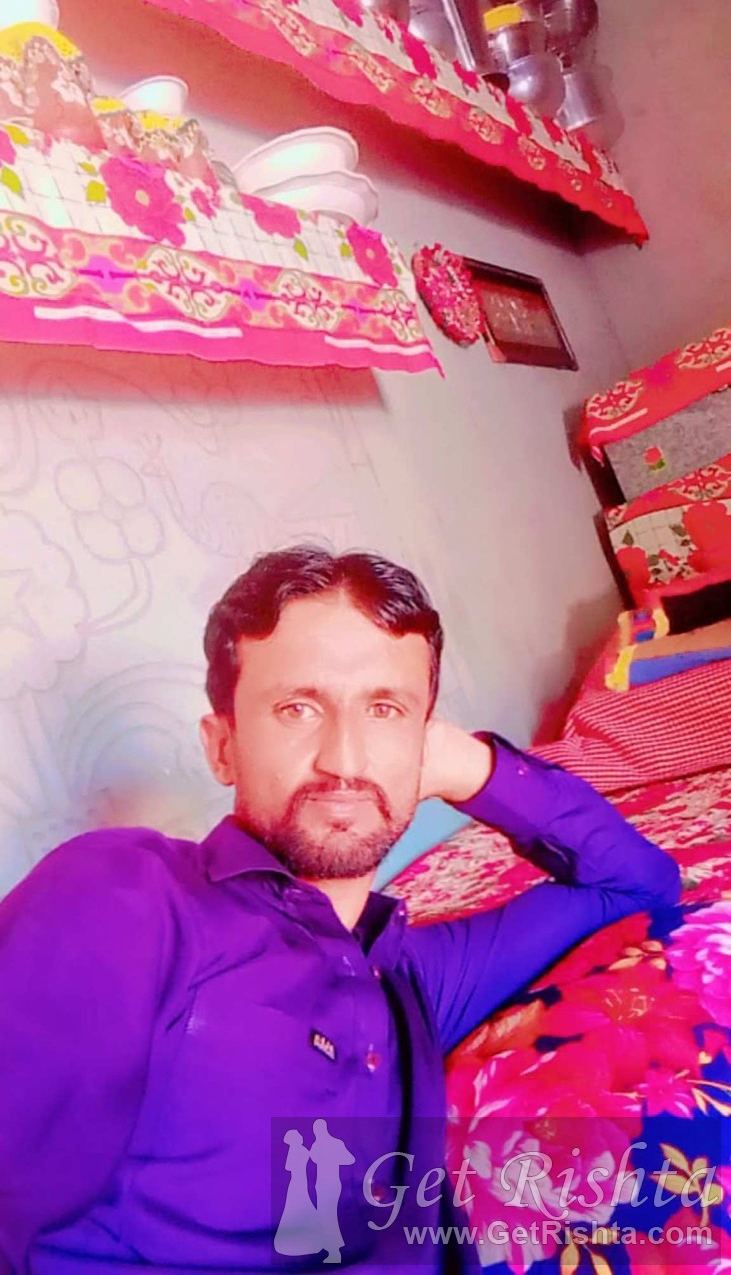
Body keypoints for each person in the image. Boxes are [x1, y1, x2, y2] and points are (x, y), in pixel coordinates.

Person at [0, 546, 680, 1274]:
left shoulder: (412, 981)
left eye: (385, 710)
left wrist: (466, 765)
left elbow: (633, 882)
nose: (345, 760)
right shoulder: (130, 895)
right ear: (223, 747)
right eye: (297, 708)